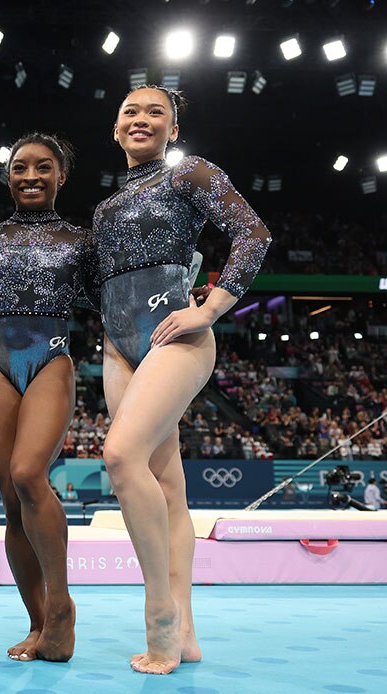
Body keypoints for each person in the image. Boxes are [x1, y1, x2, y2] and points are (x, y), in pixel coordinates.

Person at [92, 85, 271, 675]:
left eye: (155, 113)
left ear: (172, 128)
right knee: (166, 487)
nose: (141, 119)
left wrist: (209, 308)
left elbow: (254, 235)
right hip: (118, 347)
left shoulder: (188, 173)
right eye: (130, 113)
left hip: (177, 335)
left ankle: (160, 616)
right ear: (116, 130)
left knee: (121, 457)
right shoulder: (106, 206)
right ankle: (187, 631)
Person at [0, 133, 95, 662]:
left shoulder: (80, 241)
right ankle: (39, 622)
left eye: (43, 168)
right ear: (7, 176)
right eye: (20, 167)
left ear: (60, 176)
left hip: (51, 360)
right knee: (9, 502)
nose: (30, 176)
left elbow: (111, 297)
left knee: (28, 476)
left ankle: (62, 606)